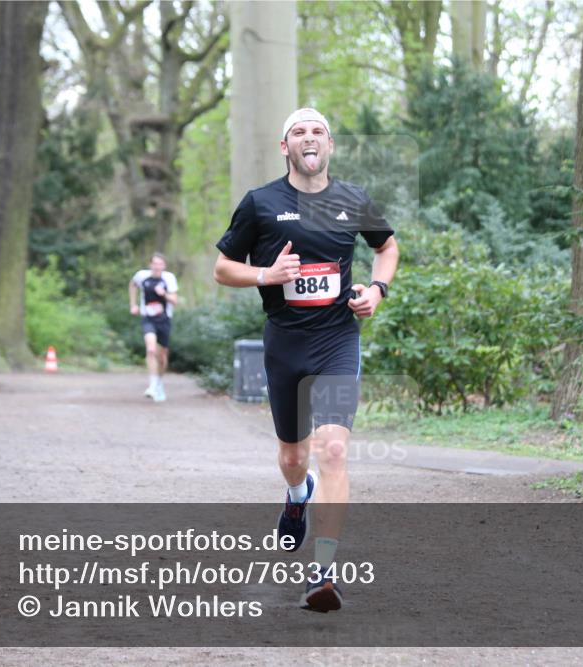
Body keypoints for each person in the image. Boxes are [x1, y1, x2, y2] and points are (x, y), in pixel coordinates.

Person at [213, 108, 398, 612]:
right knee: (294, 458)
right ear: (285, 147)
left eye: (318, 131)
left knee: (333, 449)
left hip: (337, 340)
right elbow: (223, 267)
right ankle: (297, 498)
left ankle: (325, 571)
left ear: (330, 145)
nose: (309, 137)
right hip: (285, 344)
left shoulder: (353, 199)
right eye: (299, 131)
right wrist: (266, 276)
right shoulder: (261, 204)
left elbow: (387, 247)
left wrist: (377, 290)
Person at [129, 253, 179, 402]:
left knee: (162, 357)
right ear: (150, 264)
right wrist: (133, 304)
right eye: (155, 264)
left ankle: (159, 383)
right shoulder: (141, 276)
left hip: (164, 320)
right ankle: (152, 385)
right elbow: (132, 285)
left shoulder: (169, 278)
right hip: (148, 319)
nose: (157, 267)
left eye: (160, 264)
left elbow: (175, 301)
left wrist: (164, 294)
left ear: (164, 266)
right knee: (150, 349)